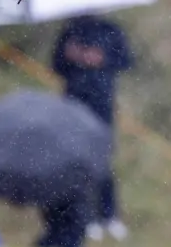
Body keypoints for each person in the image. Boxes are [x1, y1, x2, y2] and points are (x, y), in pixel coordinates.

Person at [52, 14, 133, 242]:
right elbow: (56, 65)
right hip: (73, 105)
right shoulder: (70, 32)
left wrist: (102, 59)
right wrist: (72, 56)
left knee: (103, 162)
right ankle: (84, 217)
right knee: (76, 162)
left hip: (102, 105)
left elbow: (127, 60)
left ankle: (109, 215)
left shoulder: (111, 29)